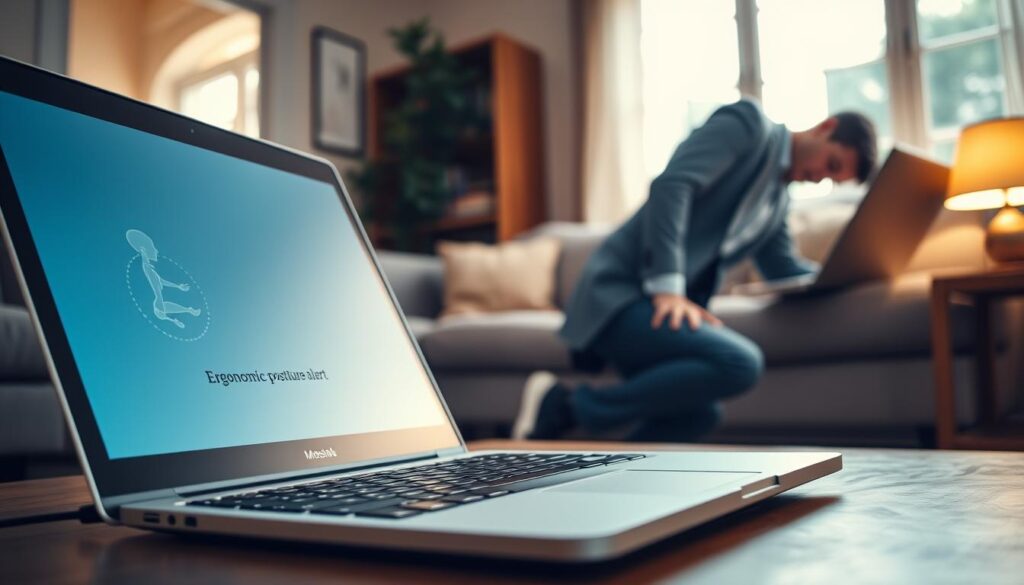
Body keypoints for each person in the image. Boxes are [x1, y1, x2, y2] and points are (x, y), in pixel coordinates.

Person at [511, 98, 877, 442]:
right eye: (829, 166)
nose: (818, 179)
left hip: (654, 307)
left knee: (698, 416)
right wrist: (668, 288)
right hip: (619, 294)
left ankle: (607, 469)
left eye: (832, 180)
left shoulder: (777, 201)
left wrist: (850, 274)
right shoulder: (749, 125)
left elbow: (784, 269)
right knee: (740, 362)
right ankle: (567, 406)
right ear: (824, 127)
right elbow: (672, 185)